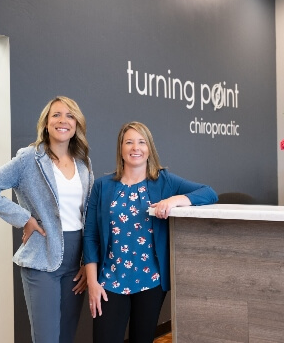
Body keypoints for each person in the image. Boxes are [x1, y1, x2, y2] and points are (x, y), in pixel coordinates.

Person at [0, 96, 94, 343]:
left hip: (76, 260)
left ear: (77, 124)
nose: (63, 120)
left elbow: (86, 214)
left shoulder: (83, 162)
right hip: (41, 259)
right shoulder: (29, 158)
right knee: (47, 338)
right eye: (56, 115)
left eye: (70, 116)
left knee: (67, 336)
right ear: (46, 123)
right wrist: (24, 218)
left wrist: (87, 261)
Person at [83, 121, 218, 343]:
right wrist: (92, 283)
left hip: (150, 281)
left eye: (141, 142)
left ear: (149, 148)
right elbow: (90, 236)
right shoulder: (103, 186)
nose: (135, 148)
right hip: (110, 280)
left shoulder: (163, 181)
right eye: (129, 142)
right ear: (121, 148)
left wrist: (175, 200)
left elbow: (209, 193)